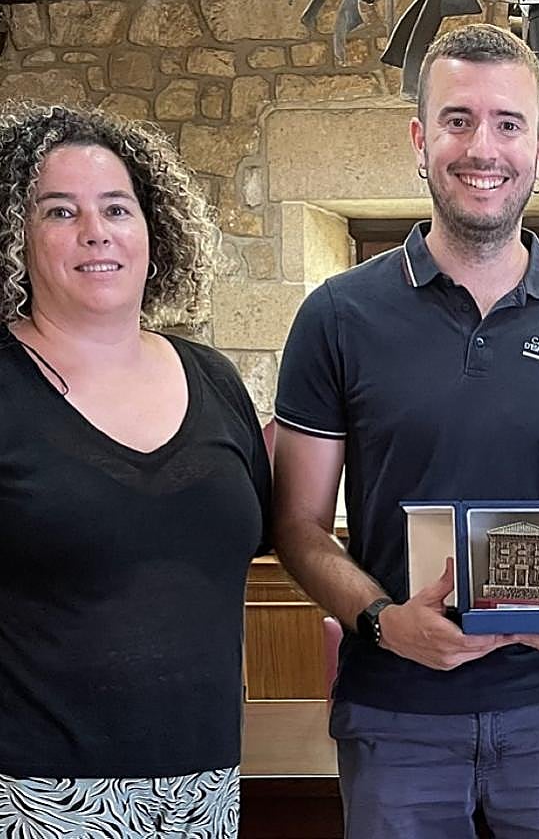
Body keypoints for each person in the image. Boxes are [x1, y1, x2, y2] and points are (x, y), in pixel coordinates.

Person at [272, 23, 539, 839]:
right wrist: (381, 621)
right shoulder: (336, 316)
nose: (484, 146)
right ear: (419, 138)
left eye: (508, 124)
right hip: (395, 716)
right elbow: (296, 527)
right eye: (458, 119)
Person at [0, 104, 270, 837]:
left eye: (116, 208)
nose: (96, 231)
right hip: (32, 795)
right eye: (60, 211)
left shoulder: (213, 381)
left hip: (203, 786)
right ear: (16, 238)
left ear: (154, 229)